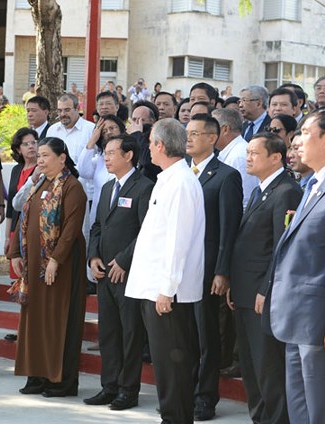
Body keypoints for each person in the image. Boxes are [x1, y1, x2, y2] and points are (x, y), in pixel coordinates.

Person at [125, 118, 205, 424]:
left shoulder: (181, 182)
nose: (148, 149)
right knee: (165, 364)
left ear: (160, 145)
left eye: (150, 143)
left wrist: (167, 288)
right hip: (154, 286)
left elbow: (177, 240)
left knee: (173, 365)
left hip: (167, 291)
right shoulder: (169, 178)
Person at [7, 137, 87, 397]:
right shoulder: (39, 183)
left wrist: (55, 260)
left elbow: (71, 229)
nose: (39, 160)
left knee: (58, 320)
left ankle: (61, 381)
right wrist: (15, 252)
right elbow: (24, 217)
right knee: (34, 321)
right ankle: (36, 375)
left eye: (45, 156)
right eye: (38, 155)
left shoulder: (72, 187)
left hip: (61, 267)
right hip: (33, 266)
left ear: (62, 158)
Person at [228, 132, 299, 424]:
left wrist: (266, 288)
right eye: (248, 153)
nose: (248, 158)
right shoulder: (261, 190)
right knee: (251, 367)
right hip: (245, 291)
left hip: (262, 294)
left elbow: (282, 247)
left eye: (255, 153)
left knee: (268, 367)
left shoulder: (286, 191)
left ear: (276, 157)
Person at [84, 134, 153, 410]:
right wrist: (93, 257)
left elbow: (146, 231)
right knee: (109, 333)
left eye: (112, 153)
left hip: (128, 273)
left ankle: (128, 390)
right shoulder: (106, 187)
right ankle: (109, 386)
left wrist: (124, 260)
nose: (106, 158)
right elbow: (97, 226)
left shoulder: (145, 187)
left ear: (128, 155)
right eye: (105, 153)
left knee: (130, 333)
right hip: (104, 273)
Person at [265, 110, 325, 424]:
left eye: (305, 132)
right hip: (294, 314)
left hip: (316, 319)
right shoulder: (311, 183)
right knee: (299, 401)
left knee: (318, 402)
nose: (297, 141)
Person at [185, 114, 243, 421]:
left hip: (207, 270)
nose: (189, 138)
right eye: (187, 133)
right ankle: (183, 393)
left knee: (206, 337)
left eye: (196, 133)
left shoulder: (226, 176)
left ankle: (204, 397)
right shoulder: (180, 171)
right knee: (183, 336)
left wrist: (222, 271)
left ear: (212, 137)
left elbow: (228, 227)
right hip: (180, 268)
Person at [78, 114, 126, 230]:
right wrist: (92, 140)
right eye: (104, 131)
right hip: (99, 219)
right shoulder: (99, 159)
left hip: (122, 217)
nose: (109, 132)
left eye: (112, 128)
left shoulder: (130, 156)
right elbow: (83, 171)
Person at [212, 108, 260, 210]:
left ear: (225, 129)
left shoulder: (239, 156)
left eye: (212, 128)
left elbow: (246, 200)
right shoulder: (231, 152)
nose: (209, 133)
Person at [5, 128, 38, 263]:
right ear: (19, 149)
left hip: (32, 228)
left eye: (33, 142)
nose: (31, 146)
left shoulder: (41, 169)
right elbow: (10, 206)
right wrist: (7, 237)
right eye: (26, 144)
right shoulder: (16, 169)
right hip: (15, 226)